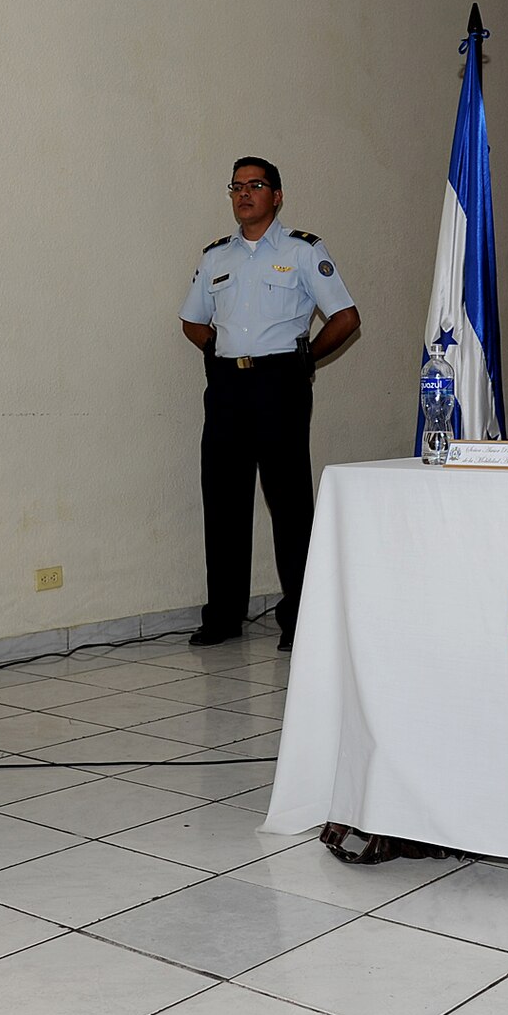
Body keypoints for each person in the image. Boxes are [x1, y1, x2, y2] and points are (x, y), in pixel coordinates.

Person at [180, 157, 360, 651]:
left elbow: (345, 317)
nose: (244, 194)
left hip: (281, 383)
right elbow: (193, 321)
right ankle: (223, 616)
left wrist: (306, 360)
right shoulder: (217, 257)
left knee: (289, 504)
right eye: (236, 186)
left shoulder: (303, 251)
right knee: (223, 501)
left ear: (276, 196)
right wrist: (220, 353)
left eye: (255, 185)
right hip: (227, 389)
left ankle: (299, 619)